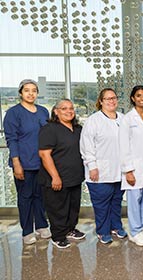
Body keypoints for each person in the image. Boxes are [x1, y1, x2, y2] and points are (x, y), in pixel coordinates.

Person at [3, 79, 51, 245]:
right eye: (27, 90)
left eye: (34, 90)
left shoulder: (44, 111)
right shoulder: (13, 113)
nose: (31, 93)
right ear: (20, 93)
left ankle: (42, 225)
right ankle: (27, 230)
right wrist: (16, 163)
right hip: (24, 163)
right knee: (25, 197)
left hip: (42, 163)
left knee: (41, 196)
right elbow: (12, 139)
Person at [80, 88, 127, 244]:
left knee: (116, 202)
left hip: (119, 171)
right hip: (99, 172)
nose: (111, 101)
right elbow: (87, 146)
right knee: (102, 204)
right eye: (107, 99)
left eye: (114, 98)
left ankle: (115, 226)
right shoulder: (94, 121)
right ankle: (102, 230)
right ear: (101, 101)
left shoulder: (122, 118)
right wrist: (92, 166)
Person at [38, 99, 85, 249]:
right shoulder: (50, 129)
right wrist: (55, 176)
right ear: (56, 111)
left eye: (71, 108)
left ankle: (70, 229)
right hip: (56, 177)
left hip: (74, 177)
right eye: (64, 108)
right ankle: (58, 236)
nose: (69, 111)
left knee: (73, 207)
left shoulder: (78, 129)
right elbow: (45, 154)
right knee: (58, 208)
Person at [119, 85, 143, 246]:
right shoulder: (128, 119)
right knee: (134, 197)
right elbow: (123, 145)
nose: (142, 98)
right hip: (134, 163)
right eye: (139, 95)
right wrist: (128, 170)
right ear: (133, 98)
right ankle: (134, 231)